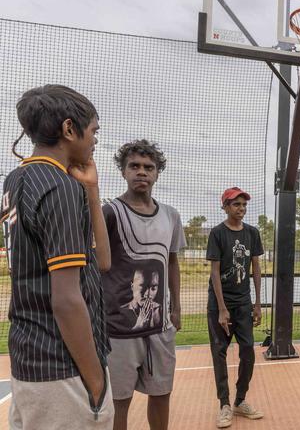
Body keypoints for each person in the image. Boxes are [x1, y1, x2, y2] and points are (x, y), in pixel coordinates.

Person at [1, 85, 114, 428]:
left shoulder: (16, 179)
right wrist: (95, 381)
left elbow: (103, 262)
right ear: (69, 129)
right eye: (93, 130)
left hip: (29, 358)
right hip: (63, 368)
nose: (95, 140)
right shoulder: (57, 186)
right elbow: (66, 299)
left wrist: (91, 191)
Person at [101, 140, 186, 430]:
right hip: (119, 329)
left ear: (157, 173)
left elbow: (172, 263)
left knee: (162, 395)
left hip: (159, 327)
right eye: (134, 166)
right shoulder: (109, 213)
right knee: (118, 403)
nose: (141, 172)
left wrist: (176, 308)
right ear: (123, 171)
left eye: (148, 167)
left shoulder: (171, 215)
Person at [207, 187, 264, 428]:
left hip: (243, 303)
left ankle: (240, 400)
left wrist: (258, 303)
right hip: (220, 303)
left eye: (243, 205)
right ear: (225, 207)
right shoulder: (218, 233)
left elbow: (256, 268)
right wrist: (221, 309)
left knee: (248, 351)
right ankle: (225, 404)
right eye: (235, 204)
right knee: (219, 353)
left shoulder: (252, 233)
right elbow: (215, 272)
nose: (241, 209)